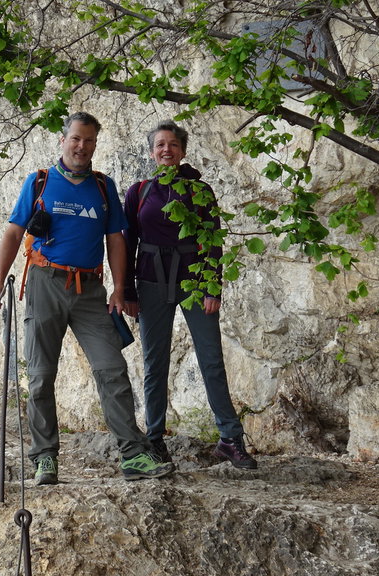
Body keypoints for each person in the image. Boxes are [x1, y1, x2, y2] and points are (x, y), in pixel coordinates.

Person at [0, 111, 174, 485]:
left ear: (95, 144)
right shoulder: (39, 182)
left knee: (112, 370)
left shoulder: (103, 187)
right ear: (63, 140)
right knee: (40, 377)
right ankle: (45, 459)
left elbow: (116, 240)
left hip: (90, 291)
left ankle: (134, 456)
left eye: (89, 140)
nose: (82, 146)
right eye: (75, 138)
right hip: (44, 283)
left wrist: (119, 290)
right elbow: (13, 232)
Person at [122, 120, 257, 469]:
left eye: (173, 145)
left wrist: (214, 287)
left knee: (211, 360)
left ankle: (230, 438)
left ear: (182, 151)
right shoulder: (138, 192)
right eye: (160, 145)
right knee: (155, 364)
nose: (166, 150)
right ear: (152, 152)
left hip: (196, 283)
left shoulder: (201, 191)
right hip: (150, 280)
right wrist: (126, 289)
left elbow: (212, 240)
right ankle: (154, 439)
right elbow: (127, 243)